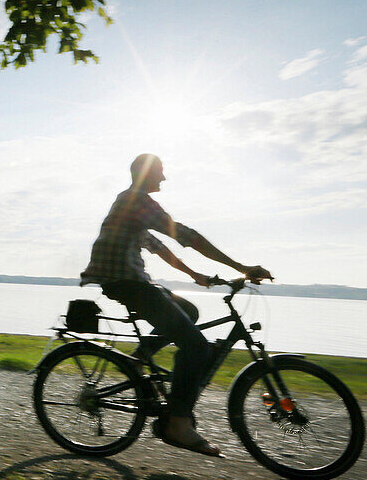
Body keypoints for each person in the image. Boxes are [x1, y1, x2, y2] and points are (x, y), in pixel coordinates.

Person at [80, 154, 271, 458]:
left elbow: (161, 249)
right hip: (128, 283)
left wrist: (198, 276)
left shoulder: (130, 207)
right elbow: (186, 236)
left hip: (131, 282)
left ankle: (137, 361)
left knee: (191, 312)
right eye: (160, 173)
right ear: (144, 175)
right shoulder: (137, 201)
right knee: (197, 348)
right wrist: (242, 266)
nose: (164, 179)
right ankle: (178, 425)